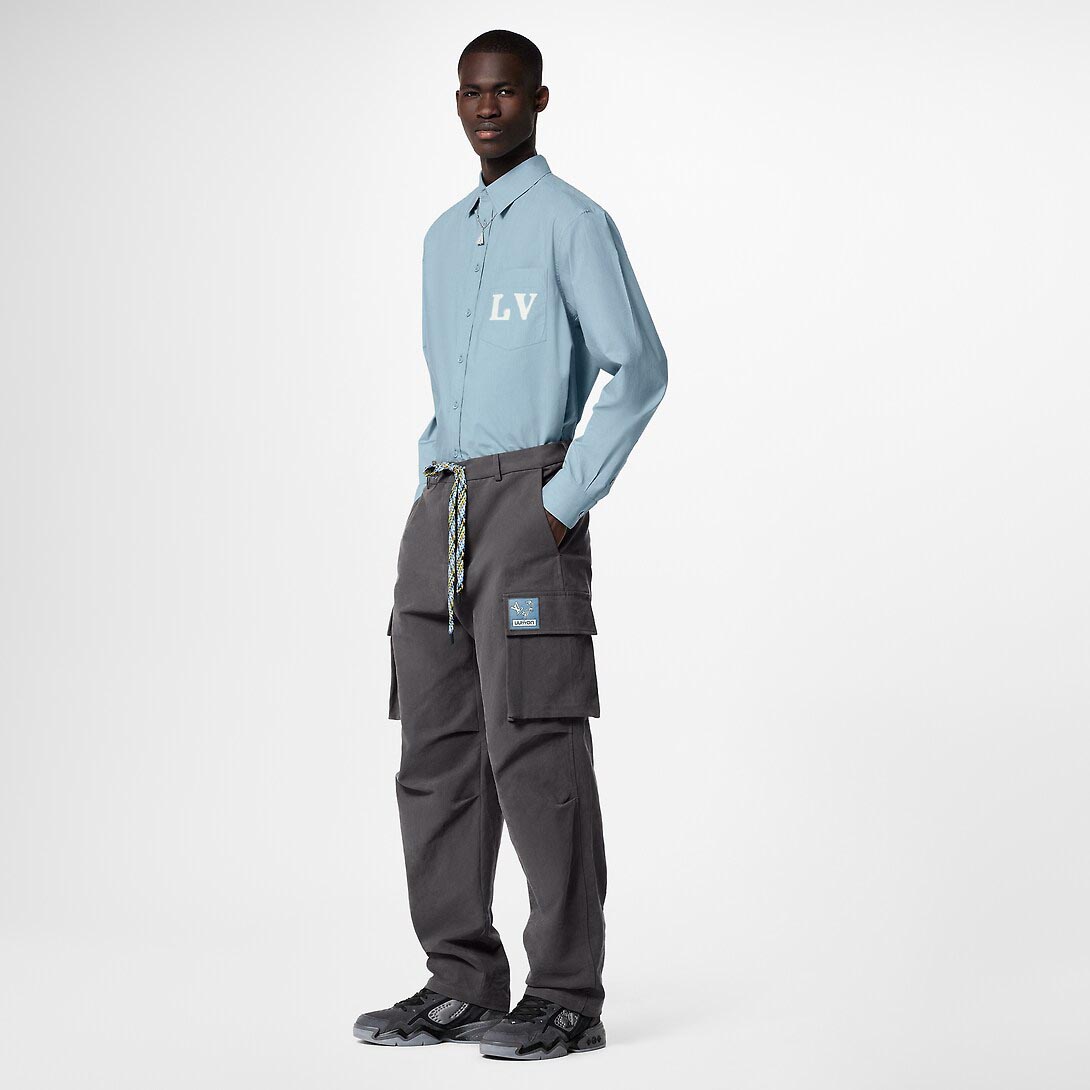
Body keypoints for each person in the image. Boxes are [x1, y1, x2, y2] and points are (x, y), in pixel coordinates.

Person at [354, 28, 667, 1061]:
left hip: (529, 506)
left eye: (505, 91)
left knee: (535, 747)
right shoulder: (442, 240)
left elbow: (640, 366)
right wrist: (427, 486)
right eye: (471, 93)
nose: (487, 108)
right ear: (458, 102)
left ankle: (567, 995)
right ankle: (458, 978)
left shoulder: (573, 223)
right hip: (441, 508)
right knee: (435, 749)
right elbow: (447, 387)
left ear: (537, 99)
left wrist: (560, 503)